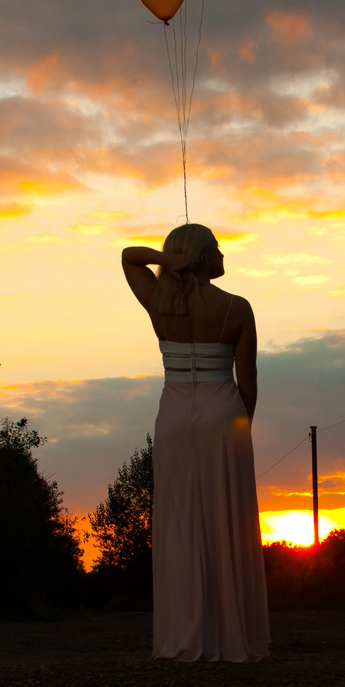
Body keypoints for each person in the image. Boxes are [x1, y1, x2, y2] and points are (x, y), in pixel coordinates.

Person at [122, 224, 270, 662]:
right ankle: (229, 636)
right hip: (223, 414)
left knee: (181, 518)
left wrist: (166, 263)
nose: (224, 253)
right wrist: (243, 427)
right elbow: (250, 379)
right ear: (204, 257)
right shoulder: (237, 308)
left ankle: (184, 636)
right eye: (218, 248)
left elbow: (130, 257)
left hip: (173, 416)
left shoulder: (159, 303)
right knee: (227, 516)